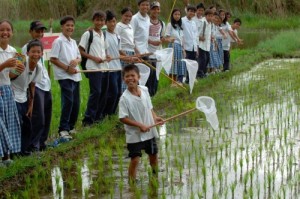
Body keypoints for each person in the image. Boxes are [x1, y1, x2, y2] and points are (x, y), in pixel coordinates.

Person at [119, 64, 164, 184]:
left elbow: (149, 107)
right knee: (135, 159)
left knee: (153, 155)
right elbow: (123, 118)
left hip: (149, 131)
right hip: (134, 134)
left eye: (132, 75)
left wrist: (155, 118)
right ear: (123, 79)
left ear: (138, 77)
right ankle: (131, 184)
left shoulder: (144, 90)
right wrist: (140, 125)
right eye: (127, 76)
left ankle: (155, 178)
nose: (130, 78)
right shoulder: (124, 98)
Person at [21, 21, 52, 152]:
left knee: (47, 115)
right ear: (31, 31)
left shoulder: (40, 46)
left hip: (46, 85)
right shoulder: (27, 48)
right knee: (38, 118)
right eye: (37, 31)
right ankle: (34, 146)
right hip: (36, 85)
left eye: (42, 31)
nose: (40, 34)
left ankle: (42, 143)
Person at [50, 15, 81, 139]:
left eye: (72, 25)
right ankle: (63, 129)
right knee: (68, 101)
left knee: (76, 103)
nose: (70, 27)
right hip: (64, 76)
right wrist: (67, 68)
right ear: (62, 27)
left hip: (76, 76)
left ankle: (71, 127)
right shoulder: (58, 41)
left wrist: (76, 61)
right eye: (67, 25)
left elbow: (79, 57)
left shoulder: (73, 42)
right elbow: (53, 59)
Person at [79, 11, 111, 126]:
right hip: (93, 68)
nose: (100, 22)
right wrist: (94, 58)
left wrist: (107, 57)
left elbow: (105, 50)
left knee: (103, 92)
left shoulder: (104, 34)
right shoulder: (88, 34)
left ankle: (98, 117)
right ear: (93, 20)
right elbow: (81, 51)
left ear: (105, 22)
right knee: (96, 92)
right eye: (97, 20)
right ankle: (88, 120)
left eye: (102, 20)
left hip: (104, 67)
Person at [11, 39, 43, 156]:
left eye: (38, 52)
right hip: (13, 97)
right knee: (16, 125)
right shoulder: (21, 62)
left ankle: (23, 151)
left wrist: (31, 105)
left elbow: (32, 86)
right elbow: (9, 77)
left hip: (24, 98)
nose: (36, 54)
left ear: (42, 54)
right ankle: (15, 153)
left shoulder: (39, 68)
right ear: (27, 53)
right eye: (33, 52)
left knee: (26, 126)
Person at [0, 20, 24, 166]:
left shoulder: (14, 51)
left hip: (7, 90)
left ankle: (6, 158)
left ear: (12, 32)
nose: (5, 33)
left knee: (8, 123)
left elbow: (9, 76)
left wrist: (17, 72)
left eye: (8, 30)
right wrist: (4, 65)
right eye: (2, 30)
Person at [100, 10, 123, 117]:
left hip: (118, 68)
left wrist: (131, 58)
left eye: (114, 21)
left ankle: (112, 114)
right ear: (106, 23)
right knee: (112, 93)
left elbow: (119, 52)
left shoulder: (117, 36)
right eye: (110, 22)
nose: (113, 24)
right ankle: (106, 114)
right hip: (109, 69)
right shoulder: (103, 34)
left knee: (118, 93)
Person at [115, 7, 139, 92]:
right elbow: (117, 44)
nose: (128, 18)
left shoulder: (130, 26)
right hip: (123, 52)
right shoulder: (118, 26)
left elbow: (132, 41)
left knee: (132, 75)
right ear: (122, 15)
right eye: (126, 16)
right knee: (125, 75)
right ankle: (122, 96)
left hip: (131, 52)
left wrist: (137, 54)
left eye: (130, 16)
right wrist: (126, 56)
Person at [147, 1, 165, 96]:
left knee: (156, 75)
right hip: (147, 52)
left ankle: (154, 94)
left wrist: (164, 40)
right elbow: (142, 37)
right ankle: (148, 94)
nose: (156, 11)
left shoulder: (162, 23)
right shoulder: (146, 22)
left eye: (157, 9)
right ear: (150, 10)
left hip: (158, 53)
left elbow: (161, 37)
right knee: (150, 74)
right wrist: (151, 42)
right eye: (153, 8)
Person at [165, 8, 185, 85]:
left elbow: (182, 39)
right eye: (175, 14)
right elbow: (166, 37)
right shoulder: (170, 25)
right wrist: (170, 39)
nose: (177, 16)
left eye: (178, 14)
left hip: (180, 47)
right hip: (173, 46)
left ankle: (178, 81)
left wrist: (183, 49)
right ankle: (172, 82)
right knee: (173, 64)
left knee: (179, 64)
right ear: (172, 15)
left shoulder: (180, 27)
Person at [182, 5, 198, 84]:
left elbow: (196, 36)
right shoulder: (182, 21)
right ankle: (183, 80)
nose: (192, 13)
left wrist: (197, 48)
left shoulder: (194, 23)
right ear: (187, 11)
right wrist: (183, 47)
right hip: (186, 46)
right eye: (190, 11)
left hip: (193, 47)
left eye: (193, 12)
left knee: (192, 64)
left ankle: (190, 79)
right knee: (186, 64)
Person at [197, 9, 214, 78]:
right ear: (206, 16)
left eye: (211, 16)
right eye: (209, 16)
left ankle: (203, 72)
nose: (210, 17)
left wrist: (211, 37)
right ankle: (200, 73)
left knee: (207, 59)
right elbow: (196, 33)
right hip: (201, 45)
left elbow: (209, 34)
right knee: (202, 59)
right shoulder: (202, 22)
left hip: (207, 45)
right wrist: (200, 37)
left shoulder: (210, 24)